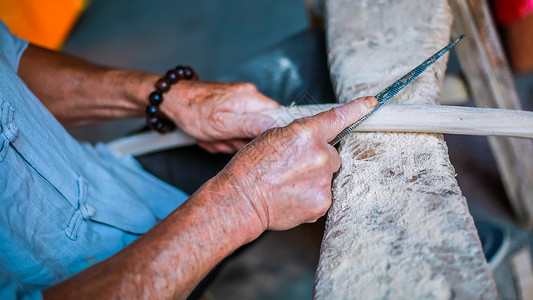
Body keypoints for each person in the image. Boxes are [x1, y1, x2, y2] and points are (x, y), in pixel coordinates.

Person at [0, 20, 377, 299]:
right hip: (116, 280)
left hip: (115, 180)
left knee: (320, 59)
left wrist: (168, 96)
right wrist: (241, 204)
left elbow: (9, 60)